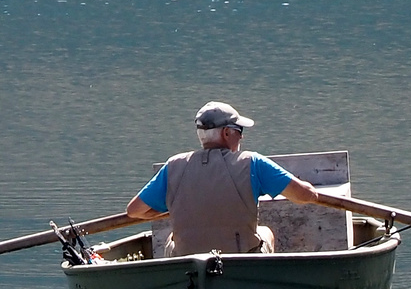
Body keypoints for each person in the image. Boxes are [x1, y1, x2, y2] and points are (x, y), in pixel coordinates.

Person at [125, 101, 327, 255]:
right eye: (239, 131)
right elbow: (305, 195)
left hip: (189, 263)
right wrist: (311, 190)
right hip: (240, 258)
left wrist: (164, 211)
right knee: (266, 233)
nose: (242, 137)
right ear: (227, 133)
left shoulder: (173, 166)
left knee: (172, 239)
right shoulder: (252, 163)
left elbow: (134, 211)